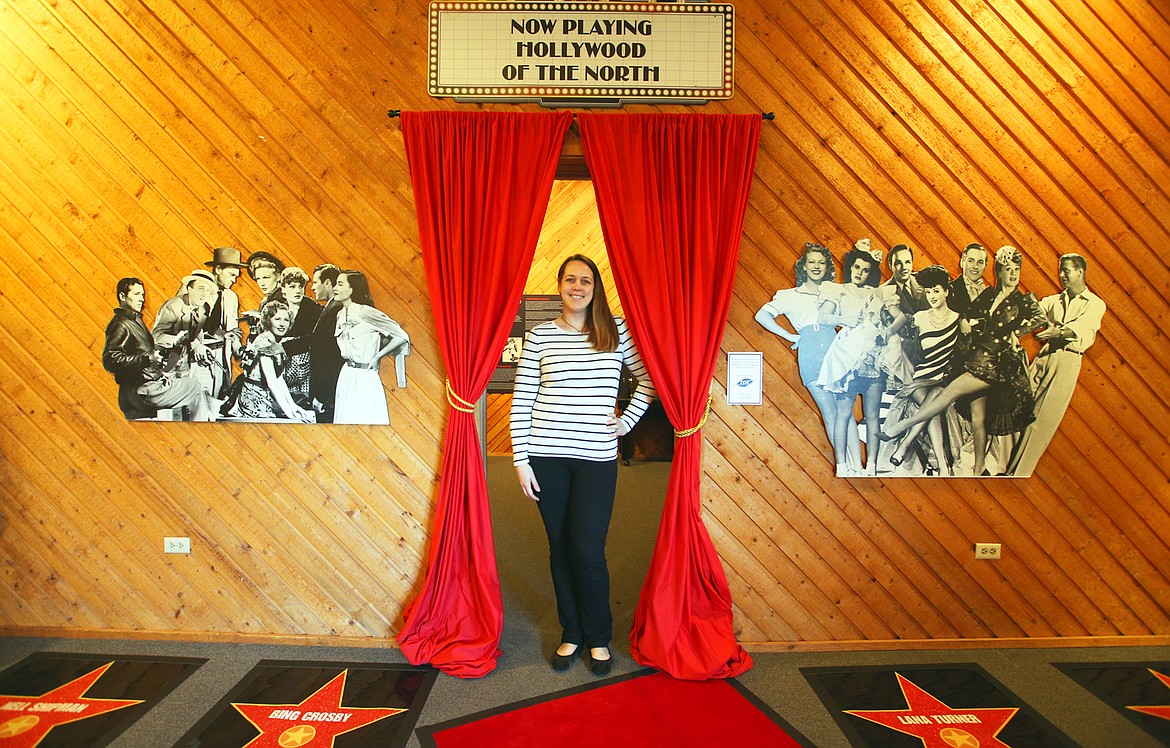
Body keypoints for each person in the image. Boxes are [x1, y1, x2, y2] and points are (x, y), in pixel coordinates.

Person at [510, 255, 655, 677]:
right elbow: (521, 402)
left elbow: (647, 381)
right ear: (559, 286)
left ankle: (597, 637)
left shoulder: (615, 332)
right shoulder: (539, 337)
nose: (578, 286)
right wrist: (520, 460)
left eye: (586, 280)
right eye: (570, 279)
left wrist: (624, 422)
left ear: (595, 287)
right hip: (546, 457)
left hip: (596, 461)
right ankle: (570, 631)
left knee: (588, 551)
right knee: (559, 548)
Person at [883, 246, 1046, 475]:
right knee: (978, 418)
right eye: (1008, 269)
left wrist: (1015, 332)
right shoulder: (989, 295)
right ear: (999, 271)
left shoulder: (1023, 299)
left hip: (995, 363)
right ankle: (978, 469)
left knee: (949, 393)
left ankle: (901, 430)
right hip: (973, 358)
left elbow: (1040, 318)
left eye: (1016, 269)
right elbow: (967, 317)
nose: (1013, 274)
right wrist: (967, 323)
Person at [1007, 253, 1106, 476]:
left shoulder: (1095, 304)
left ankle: (1017, 474)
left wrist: (1057, 332)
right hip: (1044, 357)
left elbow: (1081, 329)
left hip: (1067, 360)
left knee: (1039, 422)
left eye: (1066, 271)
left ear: (1080, 272)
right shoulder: (1054, 301)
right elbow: (1033, 315)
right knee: (1015, 404)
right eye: (1060, 270)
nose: (1061, 275)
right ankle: (1002, 463)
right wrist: (1015, 330)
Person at [756, 243, 845, 468]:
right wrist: (791, 337)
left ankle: (851, 461)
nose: (816, 266)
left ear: (827, 268)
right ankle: (843, 462)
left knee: (844, 412)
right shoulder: (789, 295)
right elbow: (762, 316)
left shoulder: (835, 293)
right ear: (803, 266)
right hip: (812, 352)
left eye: (821, 263)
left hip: (837, 351)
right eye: (812, 262)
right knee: (829, 411)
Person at [815, 239, 885, 475]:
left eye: (865, 270)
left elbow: (888, 320)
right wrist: (843, 320)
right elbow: (824, 318)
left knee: (872, 414)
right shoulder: (838, 290)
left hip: (872, 357)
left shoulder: (876, 294)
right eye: (857, 268)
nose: (860, 273)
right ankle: (843, 465)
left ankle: (872, 466)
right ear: (850, 268)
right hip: (847, 355)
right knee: (844, 414)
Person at [884, 265, 962, 475]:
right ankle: (943, 466)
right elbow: (903, 344)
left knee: (937, 397)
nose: (932, 296)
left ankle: (905, 445)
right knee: (934, 404)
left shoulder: (958, 320)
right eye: (928, 292)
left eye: (936, 291)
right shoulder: (919, 317)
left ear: (946, 291)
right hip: (921, 378)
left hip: (943, 379)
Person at [102, 277, 214, 421]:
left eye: (142, 295)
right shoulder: (122, 324)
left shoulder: (134, 320)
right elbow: (110, 360)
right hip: (142, 389)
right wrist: (147, 359)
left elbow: (145, 351)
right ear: (122, 297)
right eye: (136, 294)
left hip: (148, 383)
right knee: (195, 387)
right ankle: (201, 432)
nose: (142, 299)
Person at [332, 270, 411, 425]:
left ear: (352, 289)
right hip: (346, 375)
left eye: (340, 284)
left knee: (365, 421)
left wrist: (377, 356)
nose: (335, 287)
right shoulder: (340, 314)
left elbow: (401, 336)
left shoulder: (366, 313)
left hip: (364, 376)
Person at [236, 299, 315, 422]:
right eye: (277, 319)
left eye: (286, 320)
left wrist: (293, 407)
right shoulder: (264, 343)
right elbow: (272, 382)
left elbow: (279, 380)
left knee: (303, 411)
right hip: (255, 398)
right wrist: (291, 413)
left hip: (265, 394)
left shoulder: (273, 341)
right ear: (268, 321)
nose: (282, 324)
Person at [153, 269, 219, 397]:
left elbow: (197, 333)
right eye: (200, 288)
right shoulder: (173, 306)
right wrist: (178, 340)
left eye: (207, 291)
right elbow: (157, 336)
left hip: (185, 361)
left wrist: (200, 347)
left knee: (183, 398)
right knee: (168, 401)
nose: (204, 294)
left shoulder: (204, 308)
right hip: (166, 361)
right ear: (189, 289)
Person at [202, 246, 248, 399]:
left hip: (222, 354)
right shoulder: (200, 292)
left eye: (236, 276)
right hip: (202, 355)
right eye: (231, 275)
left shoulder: (231, 297)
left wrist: (239, 352)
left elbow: (233, 329)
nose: (234, 280)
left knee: (220, 396)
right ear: (218, 269)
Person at [274, 267, 322, 409]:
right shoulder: (277, 305)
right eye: (292, 286)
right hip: (281, 359)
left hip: (305, 360)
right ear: (283, 289)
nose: (297, 291)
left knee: (301, 402)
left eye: (301, 286)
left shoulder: (312, 307)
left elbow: (315, 338)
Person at [306, 264, 344, 423]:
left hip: (327, 391)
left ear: (327, 283)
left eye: (315, 282)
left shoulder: (336, 308)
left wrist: (322, 396)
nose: (313, 287)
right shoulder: (332, 306)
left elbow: (330, 357)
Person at [948, 243, 988, 316]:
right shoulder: (949, 290)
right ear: (962, 262)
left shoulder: (990, 294)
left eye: (980, 262)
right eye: (971, 261)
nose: (975, 266)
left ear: (985, 266)